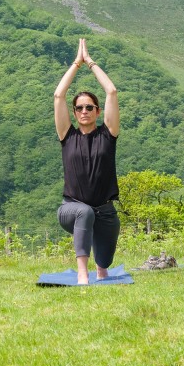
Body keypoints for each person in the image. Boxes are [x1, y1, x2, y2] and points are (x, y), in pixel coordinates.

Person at [53, 39, 120, 285]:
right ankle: (82, 274)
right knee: (83, 212)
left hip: (104, 211)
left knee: (105, 262)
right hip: (71, 208)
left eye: (89, 107)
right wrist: (76, 63)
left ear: (97, 111)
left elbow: (111, 91)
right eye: (79, 107)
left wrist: (90, 62)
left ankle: (100, 269)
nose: (84, 111)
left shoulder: (107, 134)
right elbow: (59, 95)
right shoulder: (67, 136)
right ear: (74, 112)